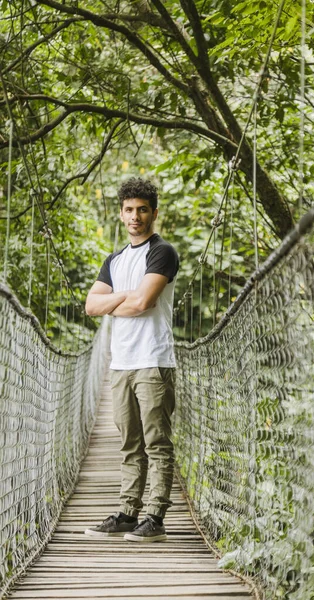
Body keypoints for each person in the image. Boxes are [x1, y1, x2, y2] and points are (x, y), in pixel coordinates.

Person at [84, 177, 179, 542]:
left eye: (142, 210)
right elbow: (92, 306)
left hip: (153, 360)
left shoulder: (162, 252)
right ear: (120, 214)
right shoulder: (115, 260)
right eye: (128, 210)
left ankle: (154, 517)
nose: (135, 217)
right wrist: (128, 295)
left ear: (153, 213)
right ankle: (128, 512)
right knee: (129, 443)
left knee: (156, 442)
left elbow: (144, 303)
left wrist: (118, 302)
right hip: (120, 364)